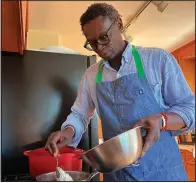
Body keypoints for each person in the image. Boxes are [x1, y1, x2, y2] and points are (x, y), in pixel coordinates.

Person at [45, 3, 195, 181]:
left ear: (119, 25)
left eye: (103, 37)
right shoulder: (91, 76)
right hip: (118, 176)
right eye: (92, 42)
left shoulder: (158, 60)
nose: (99, 47)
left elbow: (190, 108)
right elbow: (79, 114)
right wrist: (67, 132)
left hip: (163, 172)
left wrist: (162, 120)